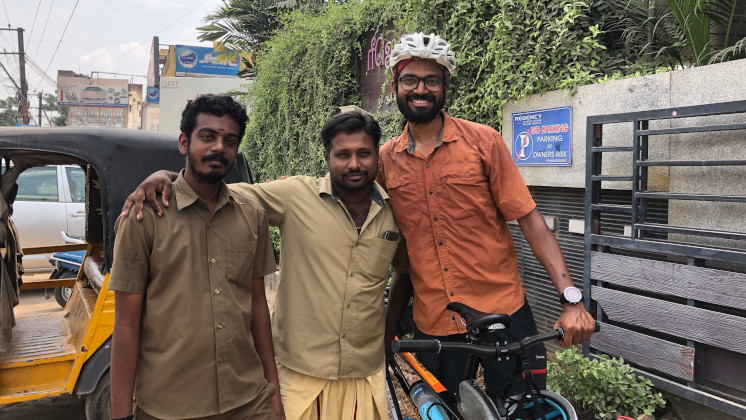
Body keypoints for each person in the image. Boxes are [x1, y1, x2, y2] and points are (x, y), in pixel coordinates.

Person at [120, 111, 407, 420]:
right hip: (298, 375)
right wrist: (168, 175)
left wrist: (389, 333)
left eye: (364, 154)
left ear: (377, 155)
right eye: (343, 154)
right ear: (326, 156)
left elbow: (405, 271)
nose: (354, 164)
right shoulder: (296, 196)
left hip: (363, 374)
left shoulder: (395, 213)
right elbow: (218, 193)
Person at [379, 32, 596, 400]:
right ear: (396, 86)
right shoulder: (385, 161)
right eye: (410, 80)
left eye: (432, 80)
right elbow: (401, 256)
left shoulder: (483, 142)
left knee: (523, 409)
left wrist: (572, 299)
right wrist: (385, 330)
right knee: (444, 410)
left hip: (504, 313)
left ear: (445, 86)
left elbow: (531, 222)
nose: (420, 89)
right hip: (435, 322)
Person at [109, 95, 284, 420]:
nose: (219, 147)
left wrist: (272, 393)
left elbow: (258, 306)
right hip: (169, 407)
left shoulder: (252, 215)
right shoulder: (143, 218)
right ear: (184, 142)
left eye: (229, 140)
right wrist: (121, 414)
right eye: (207, 136)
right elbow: (127, 323)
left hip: (249, 402)